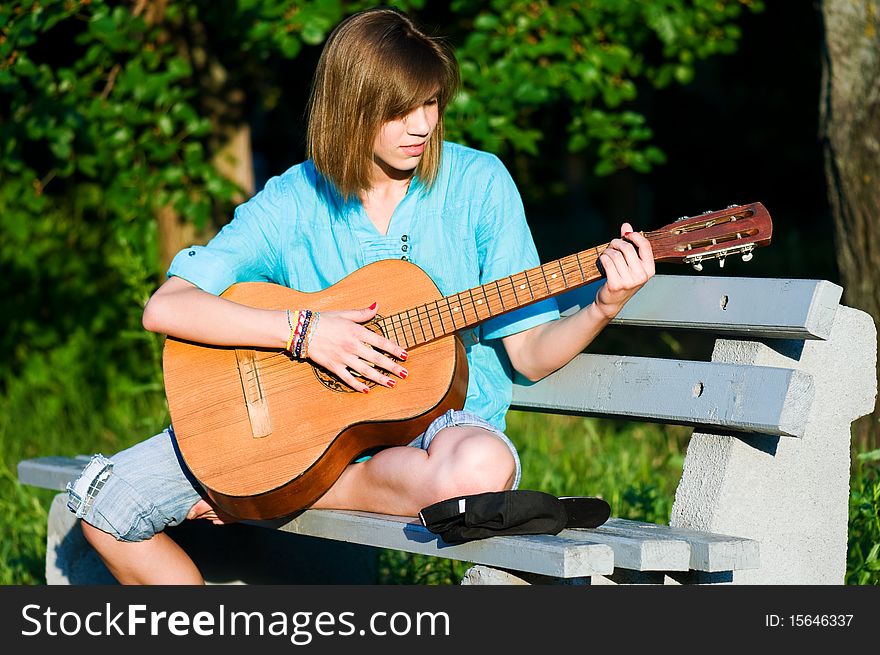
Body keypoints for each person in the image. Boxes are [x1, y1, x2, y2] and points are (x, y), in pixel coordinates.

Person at [65, 6, 655, 585]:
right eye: (399, 111)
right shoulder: (296, 197)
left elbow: (526, 355)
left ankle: (282, 489)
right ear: (350, 108)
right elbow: (166, 306)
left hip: (431, 434)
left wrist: (604, 303)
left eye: (430, 103)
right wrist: (304, 333)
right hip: (291, 426)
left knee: (482, 468)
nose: (421, 125)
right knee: (106, 508)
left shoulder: (479, 185)